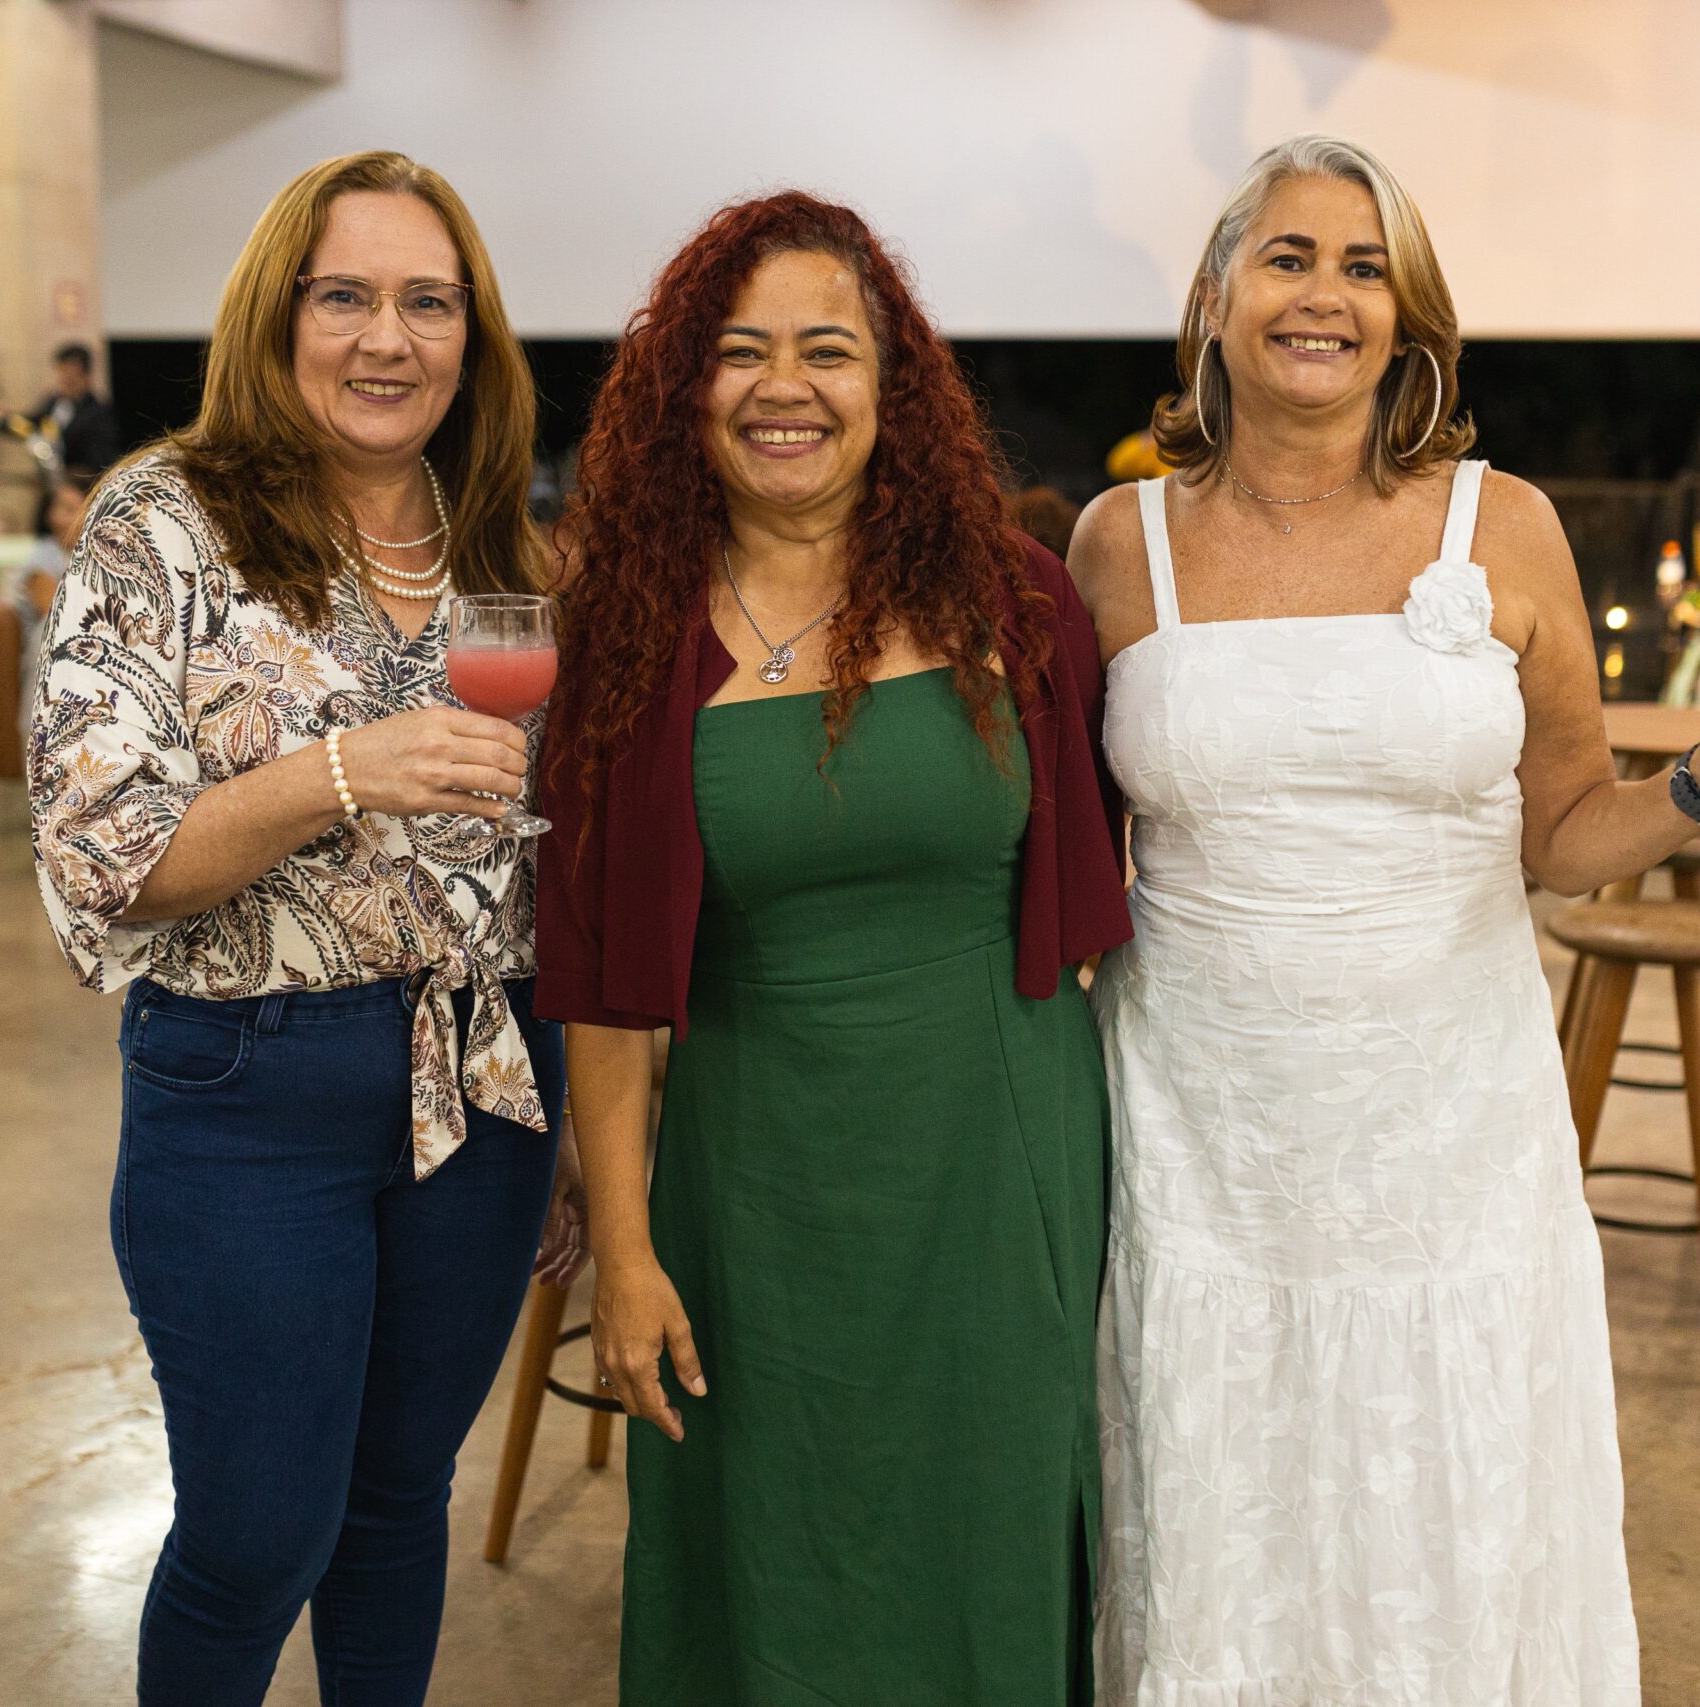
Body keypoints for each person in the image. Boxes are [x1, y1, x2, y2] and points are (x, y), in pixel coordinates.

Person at [1071, 135, 1700, 1704]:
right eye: (1289, 257)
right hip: (1203, 1131)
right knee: (1220, 1500)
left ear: (1409, 319)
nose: (1325, 295)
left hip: (1448, 1137)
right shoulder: (1120, 541)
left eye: (1365, 267)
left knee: (1445, 1504)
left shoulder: (1501, 526)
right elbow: (1068, 856)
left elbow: (1564, 835)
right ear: (1215, 298)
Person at [541, 191, 1133, 1706]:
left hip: (999, 1165)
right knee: (772, 1541)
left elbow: (1123, 848)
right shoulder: (628, 636)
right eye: (741, 351)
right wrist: (625, 1253)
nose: (784, 386)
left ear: (893, 386)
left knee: (991, 1527)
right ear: (687, 390)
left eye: (827, 349)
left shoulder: (1017, 602)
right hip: (754, 1181)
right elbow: (600, 985)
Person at [26, 152, 581, 1707]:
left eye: (428, 302)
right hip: (249, 1086)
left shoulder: (500, 541)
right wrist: (340, 770)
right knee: (259, 1531)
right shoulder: (165, 520)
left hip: (485, 1078)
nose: (386, 338)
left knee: (399, 1501)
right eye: (345, 296)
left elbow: (542, 853)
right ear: (277, 316)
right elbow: (103, 857)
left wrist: (577, 1109)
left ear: (473, 334)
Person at [5, 467, 91, 740]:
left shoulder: (98, 558)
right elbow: (54, 616)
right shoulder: (43, 559)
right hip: (49, 665)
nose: (61, 517)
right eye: (61, 508)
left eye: (73, 509)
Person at [15, 341, 122, 470]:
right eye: (62, 372)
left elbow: (103, 455)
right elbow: (29, 425)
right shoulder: (53, 403)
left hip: (81, 477)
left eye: (72, 375)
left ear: (85, 375)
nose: (66, 380)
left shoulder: (98, 412)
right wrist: (5, 418)